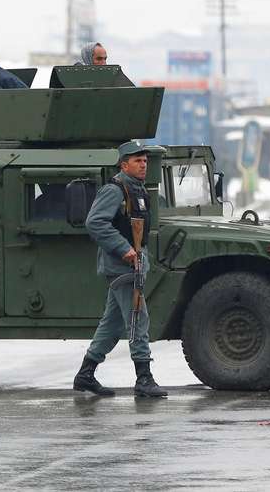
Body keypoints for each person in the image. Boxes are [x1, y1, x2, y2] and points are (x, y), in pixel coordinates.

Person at [73, 140, 168, 398]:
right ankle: (144, 378)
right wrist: (124, 249)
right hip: (122, 266)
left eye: (145, 161)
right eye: (137, 161)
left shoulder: (137, 190)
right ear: (123, 164)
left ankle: (85, 374)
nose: (143, 164)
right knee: (138, 318)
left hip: (134, 264)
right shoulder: (115, 190)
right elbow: (95, 222)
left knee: (112, 325)